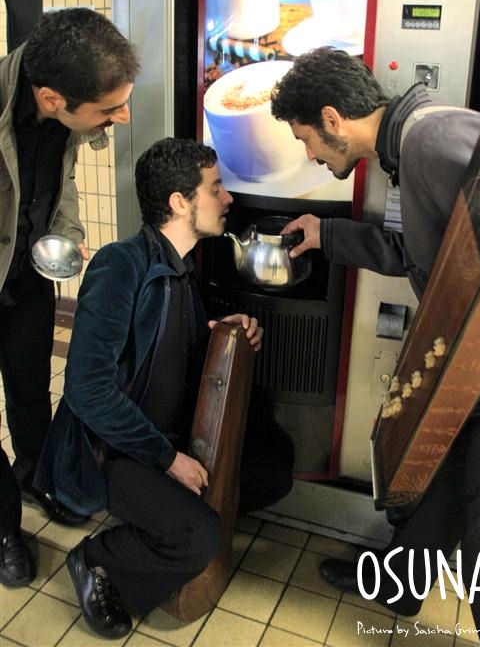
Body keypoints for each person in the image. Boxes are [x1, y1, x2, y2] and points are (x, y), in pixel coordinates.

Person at [270, 46, 480, 645]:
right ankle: (399, 586)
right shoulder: (406, 150)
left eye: (306, 140)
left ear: (332, 119)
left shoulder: (432, 139)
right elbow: (415, 252)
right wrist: (327, 234)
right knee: (437, 487)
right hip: (468, 374)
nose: (309, 155)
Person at [34, 137, 292, 639]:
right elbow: (88, 390)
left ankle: (162, 519)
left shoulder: (180, 269)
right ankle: (98, 560)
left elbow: (175, 352)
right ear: (179, 202)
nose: (227, 198)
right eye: (215, 189)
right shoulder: (120, 265)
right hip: (111, 451)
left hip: (160, 438)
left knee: (272, 473)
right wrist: (168, 460)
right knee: (200, 537)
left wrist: (223, 335)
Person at [0, 8, 140, 589]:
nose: (122, 117)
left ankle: (37, 477)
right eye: (109, 110)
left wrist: (66, 232)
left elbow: (64, 180)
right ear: (53, 98)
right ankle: (4, 527)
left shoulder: (58, 111)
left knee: (31, 389)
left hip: (26, 279)